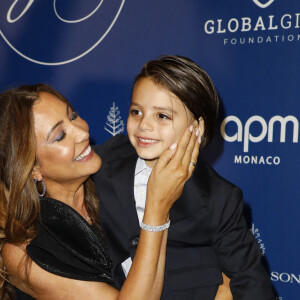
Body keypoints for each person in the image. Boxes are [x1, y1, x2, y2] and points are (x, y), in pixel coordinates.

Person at [93, 55, 275, 300]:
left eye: (162, 116)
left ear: (197, 128)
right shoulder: (102, 162)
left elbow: (252, 283)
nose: (143, 125)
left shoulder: (219, 196)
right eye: (136, 111)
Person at [0, 84, 200, 300]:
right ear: (32, 169)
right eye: (60, 136)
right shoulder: (23, 253)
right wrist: (157, 208)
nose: (82, 132)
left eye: (73, 116)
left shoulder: (121, 173)